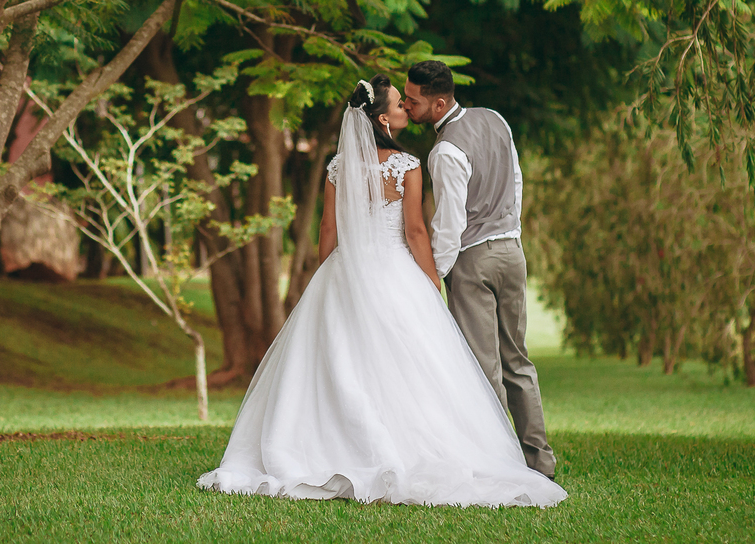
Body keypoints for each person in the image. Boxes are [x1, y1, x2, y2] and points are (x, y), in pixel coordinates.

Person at [197, 74, 566, 507]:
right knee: (415, 367)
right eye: (398, 105)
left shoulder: (338, 168)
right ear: (383, 120)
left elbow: (328, 229)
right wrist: (431, 279)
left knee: (340, 364)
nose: (405, 109)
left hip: (344, 270)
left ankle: (334, 446)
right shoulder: (406, 167)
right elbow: (414, 231)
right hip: (397, 271)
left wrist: (327, 275)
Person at [403, 60, 556, 479]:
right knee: (518, 361)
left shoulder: (445, 151)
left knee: (483, 369)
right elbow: (517, 180)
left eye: (413, 101)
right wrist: (512, 231)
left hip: (472, 260)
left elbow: (448, 223)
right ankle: (540, 461)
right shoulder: (496, 120)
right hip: (512, 253)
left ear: (438, 104)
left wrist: (437, 276)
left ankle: (498, 466)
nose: (406, 105)